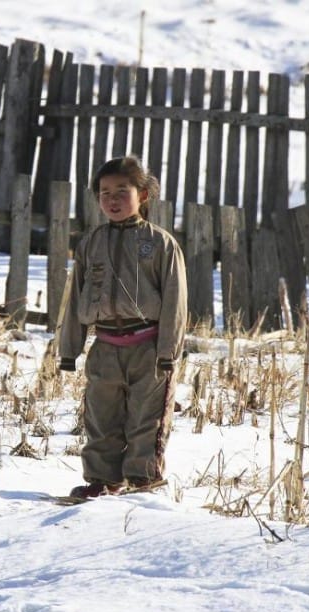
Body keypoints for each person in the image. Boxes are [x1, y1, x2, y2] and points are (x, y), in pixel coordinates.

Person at [59, 155, 188, 498]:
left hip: (148, 347)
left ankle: (143, 479)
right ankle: (102, 480)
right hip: (105, 347)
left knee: (147, 420)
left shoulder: (160, 244)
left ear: (143, 195)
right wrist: (69, 350)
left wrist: (167, 353)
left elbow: (176, 301)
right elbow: (75, 301)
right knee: (101, 419)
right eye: (104, 193)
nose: (112, 200)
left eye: (122, 191)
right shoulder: (91, 243)